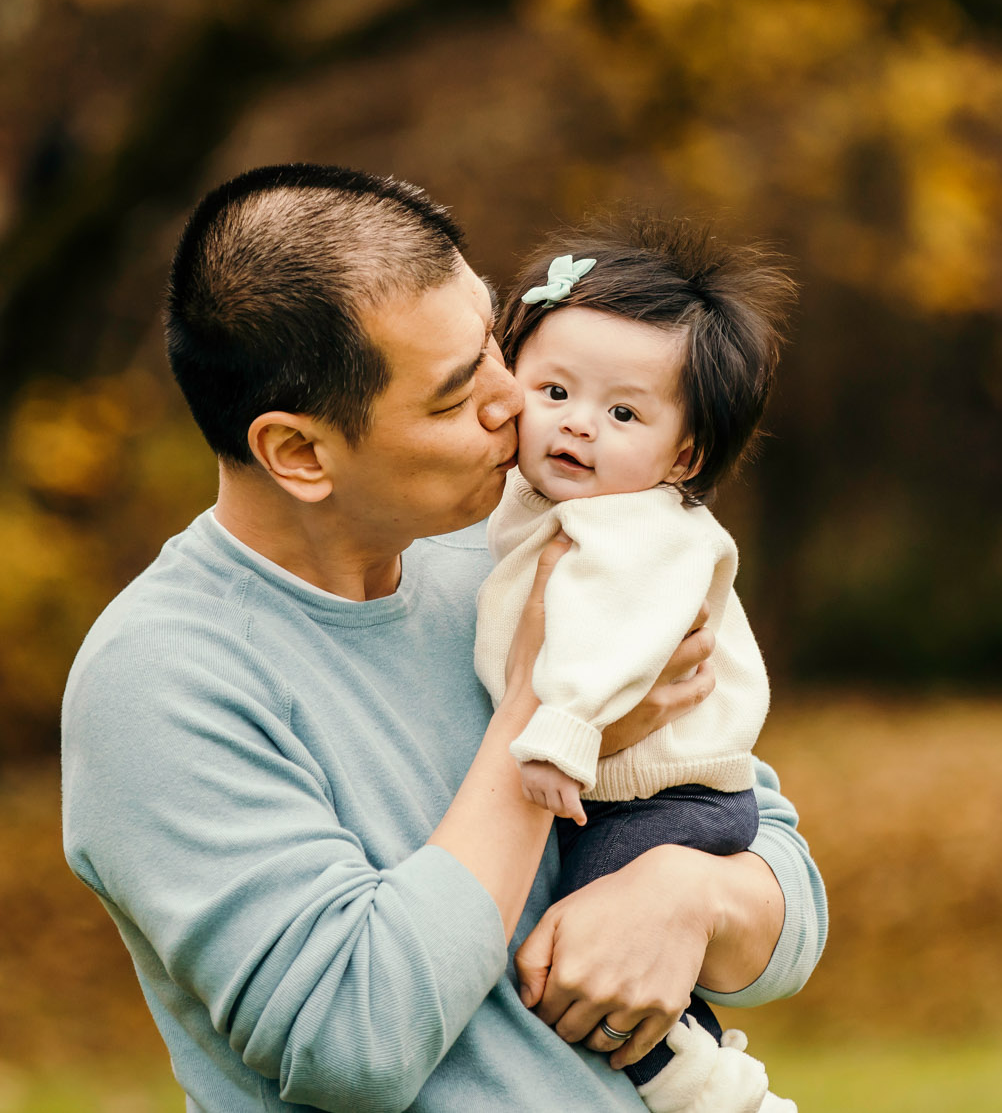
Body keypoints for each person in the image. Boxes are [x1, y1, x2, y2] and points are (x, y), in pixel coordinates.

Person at [59, 163, 827, 1113]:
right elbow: (357, 1038)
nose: (517, 405)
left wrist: (683, 895)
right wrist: (531, 722)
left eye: (500, 348)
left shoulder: (528, 540)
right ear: (299, 453)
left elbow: (785, 877)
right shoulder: (163, 677)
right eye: (459, 395)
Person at [473, 222, 799, 1113]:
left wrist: (566, 732)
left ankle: (718, 1093)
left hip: (666, 798)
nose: (579, 422)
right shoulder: (544, 502)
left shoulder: (637, 531)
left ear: (683, 457)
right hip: (647, 785)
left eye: (623, 413)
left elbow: (607, 636)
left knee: (578, 952)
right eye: (554, 389)